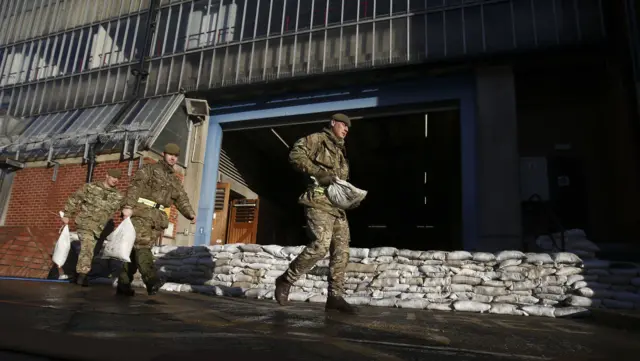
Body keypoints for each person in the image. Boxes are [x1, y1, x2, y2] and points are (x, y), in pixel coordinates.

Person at [275, 113, 358, 314]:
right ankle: (286, 279)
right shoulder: (317, 139)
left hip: (337, 208)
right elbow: (295, 156)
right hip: (318, 202)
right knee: (320, 246)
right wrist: (317, 172)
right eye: (343, 125)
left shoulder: (341, 151)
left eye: (348, 127)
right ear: (332, 123)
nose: (346, 129)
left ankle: (335, 297)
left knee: (341, 253)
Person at [117, 143, 196, 296]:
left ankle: (123, 284)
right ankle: (151, 280)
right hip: (141, 212)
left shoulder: (174, 179)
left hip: (157, 218)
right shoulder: (150, 170)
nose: (173, 158)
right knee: (142, 246)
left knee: (136, 251)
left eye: (176, 156)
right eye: (170, 154)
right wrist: (127, 206)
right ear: (163, 154)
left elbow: (181, 198)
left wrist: (190, 213)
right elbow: (135, 187)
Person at [62, 169, 124, 287]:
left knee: (92, 252)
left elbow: (125, 209)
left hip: (101, 229)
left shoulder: (118, 196)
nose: (115, 180)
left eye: (118, 178)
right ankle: (82, 276)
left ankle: (77, 274)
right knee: (88, 247)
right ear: (107, 175)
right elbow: (74, 199)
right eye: (113, 177)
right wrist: (67, 214)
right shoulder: (91, 187)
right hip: (86, 224)